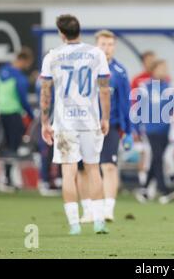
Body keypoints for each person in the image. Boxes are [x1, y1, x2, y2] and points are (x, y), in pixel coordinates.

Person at [40, 14, 111, 235]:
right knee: (93, 169)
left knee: (68, 171)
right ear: (79, 30)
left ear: (61, 34)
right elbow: (104, 90)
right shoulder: (96, 53)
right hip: (89, 121)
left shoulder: (52, 56)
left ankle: (74, 224)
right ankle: (99, 221)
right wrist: (105, 117)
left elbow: (45, 92)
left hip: (64, 123)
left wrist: (44, 122)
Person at [78, 30, 133, 223]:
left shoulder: (120, 72)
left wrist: (128, 131)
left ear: (114, 47)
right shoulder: (84, 69)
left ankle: (108, 209)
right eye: (103, 44)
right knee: (84, 168)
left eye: (110, 45)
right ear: (96, 46)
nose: (107, 48)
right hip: (85, 126)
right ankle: (88, 210)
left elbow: (126, 102)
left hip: (111, 126)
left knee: (109, 166)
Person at [133, 60, 174, 204]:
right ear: (154, 70)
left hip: (165, 129)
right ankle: (164, 190)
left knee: (155, 158)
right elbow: (139, 109)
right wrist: (136, 129)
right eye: (162, 68)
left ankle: (145, 190)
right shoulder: (145, 87)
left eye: (165, 68)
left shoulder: (168, 86)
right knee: (158, 158)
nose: (165, 71)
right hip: (151, 128)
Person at [0, 47, 34, 191]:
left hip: (2, 113)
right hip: (14, 114)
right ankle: (8, 179)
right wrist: (31, 115)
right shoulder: (19, 77)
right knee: (14, 147)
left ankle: (6, 178)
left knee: (7, 146)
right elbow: (23, 99)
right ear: (24, 60)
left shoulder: (3, 70)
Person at [131, 51, 156, 187]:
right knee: (145, 152)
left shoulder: (163, 78)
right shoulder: (137, 79)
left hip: (159, 122)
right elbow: (134, 103)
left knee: (158, 155)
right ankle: (143, 185)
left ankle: (154, 185)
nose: (152, 62)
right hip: (143, 122)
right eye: (149, 60)